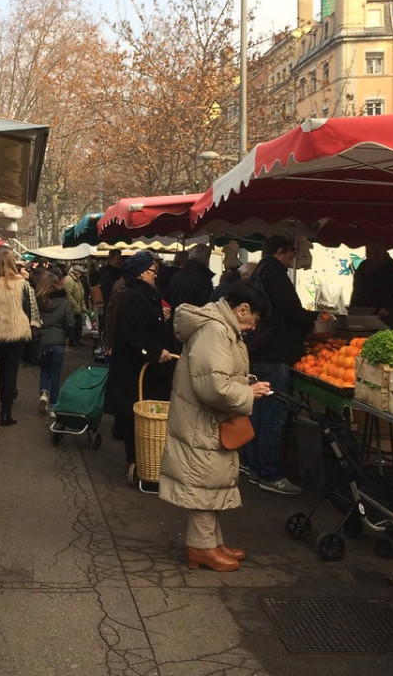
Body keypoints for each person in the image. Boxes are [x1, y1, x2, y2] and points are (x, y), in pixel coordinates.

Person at [158, 281, 272, 572]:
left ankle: (212, 542)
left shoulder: (218, 326)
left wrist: (245, 384)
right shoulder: (216, 330)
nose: (252, 328)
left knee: (211, 482)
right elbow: (214, 388)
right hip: (203, 423)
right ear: (243, 310)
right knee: (204, 483)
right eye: (254, 320)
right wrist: (249, 393)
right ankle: (201, 547)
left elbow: (216, 376)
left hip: (204, 422)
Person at [244, 235, 316, 496]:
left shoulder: (259, 272)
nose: (291, 260)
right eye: (290, 255)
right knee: (272, 417)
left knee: (256, 414)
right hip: (275, 353)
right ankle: (270, 473)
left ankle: (254, 468)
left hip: (258, 351)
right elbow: (291, 309)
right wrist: (311, 321)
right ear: (281, 251)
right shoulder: (274, 272)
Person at [103, 251, 176, 483]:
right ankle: (138, 464)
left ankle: (142, 463)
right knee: (136, 418)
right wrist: (156, 351)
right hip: (137, 371)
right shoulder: (135, 296)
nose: (156, 275)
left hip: (141, 370)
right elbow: (134, 331)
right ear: (143, 273)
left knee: (138, 417)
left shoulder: (141, 294)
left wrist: (160, 318)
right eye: (154, 271)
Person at [0, 245, 38, 426]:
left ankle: (3, 405)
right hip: (15, 332)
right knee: (11, 372)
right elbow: (30, 309)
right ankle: (6, 413)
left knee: (2, 369)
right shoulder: (22, 284)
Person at [349, 238, 393, 329]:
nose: (372, 256)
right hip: (361, 321)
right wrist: (352, 311)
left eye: (376, 253)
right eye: (368, 252)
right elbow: (356, 291)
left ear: (384, 251)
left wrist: (390, 310)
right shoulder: (362, 267)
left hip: (388, 323)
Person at [36, 271, 75, 413]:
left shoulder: (38, 301)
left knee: (44, 370)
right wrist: (65, 334)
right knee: (55, 373)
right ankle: (53, 405)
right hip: (58, 341)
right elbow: (70, 323)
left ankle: (43, 393)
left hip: (43, 341)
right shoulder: (64, 302)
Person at [63, 265, 87, 347]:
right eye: (80, 273)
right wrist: (76, 306)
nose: (81, 275)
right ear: (76, 273)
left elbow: (81, 294)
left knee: (78, 325)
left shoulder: (77, 280)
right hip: (72, 307)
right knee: (72, 325)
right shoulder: (69, 280)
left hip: (77, 306)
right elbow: (68, 295)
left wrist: (82, 306)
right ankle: (72, 341)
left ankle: (77, 340)